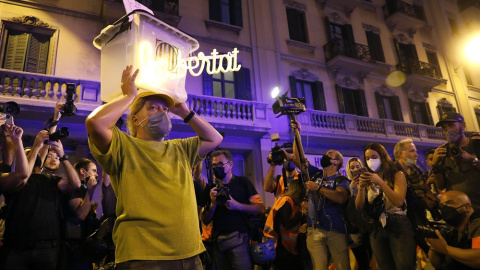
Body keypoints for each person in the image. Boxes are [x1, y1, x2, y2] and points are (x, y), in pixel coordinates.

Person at [86, 65, 223, 269]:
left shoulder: (180, 148)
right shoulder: (123, 145)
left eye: (165, 109)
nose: (163, 113)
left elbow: (215, 138)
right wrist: (129, 96)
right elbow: (95, 123)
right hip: (143, 255)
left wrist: (184, 111)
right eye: (153, 108)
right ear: (135, 119)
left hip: (189, 253)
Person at [2, 128, 81, 270]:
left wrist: (62, 156)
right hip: (18, 248)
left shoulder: (52, 181)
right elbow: (23, 173)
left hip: (48, 248)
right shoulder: (13, 180)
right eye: (26, 155)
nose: (34, 156)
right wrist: (35, 147)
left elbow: (76, 184)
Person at [355, 143, 416, 270]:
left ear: (382, 157)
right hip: (376, 227)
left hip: (398, 224)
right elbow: (359, 207)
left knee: (403, 265)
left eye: (374, 156)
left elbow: (399, 201)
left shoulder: (397, 174)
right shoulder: (368, 179)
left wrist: (381, 182)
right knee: (384, 266)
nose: (370, 161)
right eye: (367, 158)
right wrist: (361, 186)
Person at [201, 149, 264, 270]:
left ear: (230, 164)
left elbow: (260, 208)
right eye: (214, 165)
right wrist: (213, 203)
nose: (216, 167)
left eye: (220, 164)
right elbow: (204, 219)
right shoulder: (210, 188)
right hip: (218, 242)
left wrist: (237, 205)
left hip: (240, 240)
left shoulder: (243, 182)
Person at [295, 149, 351, 270]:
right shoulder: (316, 174)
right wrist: (297, 134)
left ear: (336, 161)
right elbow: (298, 160)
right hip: (314, 230)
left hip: (335, 230)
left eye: (330, 154)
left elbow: (340, 197)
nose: (326, 155)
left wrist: (318, 188)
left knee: (342, 266)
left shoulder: (341, 180)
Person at [394, 139, 440, 252]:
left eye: (415, 151)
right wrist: (424, 201)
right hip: (403, 221)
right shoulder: (393, 171)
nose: (416, 154)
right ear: (400, 154)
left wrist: (433, 198)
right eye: (412, 151)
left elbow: (424, 189)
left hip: (420, 216)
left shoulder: (416, 169)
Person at [430, 112, 480, 215]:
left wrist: (472, 160)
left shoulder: (477, 145)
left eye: (451, 125)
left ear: (463, 125)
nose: (447, 130)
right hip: (459, 213)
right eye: (444, 127)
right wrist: (435, 166)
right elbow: (441, 185)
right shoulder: (442, 152)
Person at [61, 158, 100, 270]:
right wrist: (90, 191)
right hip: (73, 250)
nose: (97, 174)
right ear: (83, 171)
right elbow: (81, 215)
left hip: (82, 248)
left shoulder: (83, 189)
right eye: (94, 170)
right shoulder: (74, 188)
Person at [426, 190, 480, 269]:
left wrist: (445, 249)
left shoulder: (477, 223)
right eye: (442, 205)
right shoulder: (451, 229)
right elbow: (440, 264)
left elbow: (478, 258)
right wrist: (434, 246)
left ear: (467, 207)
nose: (445, 208)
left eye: (449, 203)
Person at [264, 180, 306, 270]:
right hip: (278, 244)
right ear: (299, 191)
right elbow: (287, 223)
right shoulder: (286, 200)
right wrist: (302, 215)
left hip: (281, 244)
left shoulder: (288, 201)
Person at [345, 157, 372, 270]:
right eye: (352, 167)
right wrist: (352, 189)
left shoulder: (370, 184)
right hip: (354, 229)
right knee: (362, 262)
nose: (355, 169)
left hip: (369, 228)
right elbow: (348, 207)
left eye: (358, 167)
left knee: (371, 258)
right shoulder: (346, 185)